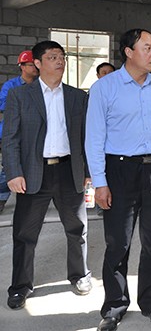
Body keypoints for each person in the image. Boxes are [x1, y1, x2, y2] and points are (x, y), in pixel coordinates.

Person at [86, 29, 151, 331]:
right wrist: (100, 182)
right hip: (120, 171)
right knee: (118, 243)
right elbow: (94, 138)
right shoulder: (105, 88)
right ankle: (114, 306)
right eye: (147, 48)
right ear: (128, 52)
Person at [2, 41, 91, 310]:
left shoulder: (77, 97)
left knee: (77, 229)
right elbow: (10, 138)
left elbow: (85, 138)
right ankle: (20, 286)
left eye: (61, 56)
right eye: (52, 57)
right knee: (25, 233)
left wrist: (88, 172)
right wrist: (14, 172)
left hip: (68, 171)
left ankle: (79, 275)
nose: (59, 61)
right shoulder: (20, 95)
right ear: (38, 64)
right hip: (33, 173)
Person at [0, 50, 40, 213]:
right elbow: (4, 104)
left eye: (36, 65)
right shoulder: (11, 86)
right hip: (16, 133)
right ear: (22, 66)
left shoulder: (42, 85)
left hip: (35, 133)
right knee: (9, 169)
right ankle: (1, 198)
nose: (35, 68)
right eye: (31, 65)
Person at [93, 62, 116, 217]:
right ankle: (100, 203)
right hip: (99, 143)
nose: (107, 76)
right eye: (104, 73)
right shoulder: (94, 93)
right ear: (98, 75)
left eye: (110, 73)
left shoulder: (120, 93)